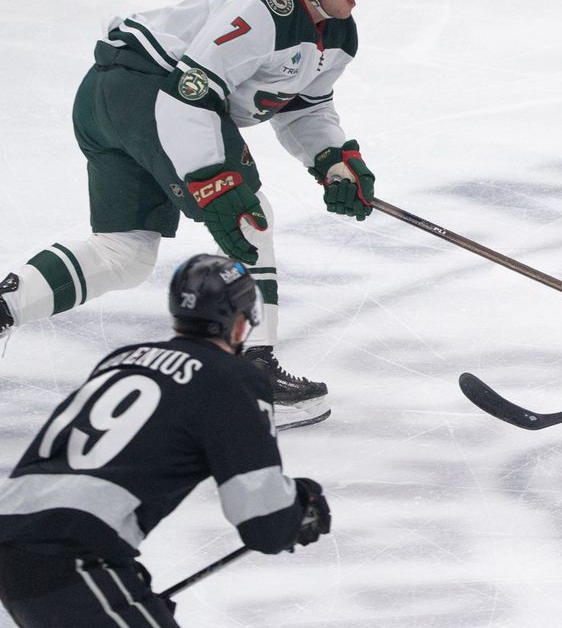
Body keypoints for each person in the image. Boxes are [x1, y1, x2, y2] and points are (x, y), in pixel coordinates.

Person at [0, 0, 380, 429]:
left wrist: (333, 160)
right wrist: (215, 180)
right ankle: (253, 378)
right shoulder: (264, 10)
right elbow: (190, 95)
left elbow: (304, 108)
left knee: (125, 252)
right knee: (250, 215)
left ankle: (7, 307)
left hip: (108, 95)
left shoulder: (335, 33)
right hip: (148, 92)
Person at [0, 254, 331, 626]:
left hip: (19, 537)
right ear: (241, 324)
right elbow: (264, 523)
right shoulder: (230, 378)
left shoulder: (121, 359)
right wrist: (301, 504)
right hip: (72, 557)